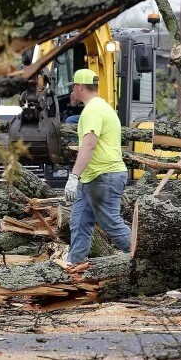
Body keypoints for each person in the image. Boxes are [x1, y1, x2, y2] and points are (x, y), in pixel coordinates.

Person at [63, 68, 131, 262]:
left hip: (104, 176)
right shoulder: (102, 106)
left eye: (74, 87)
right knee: (79, 223)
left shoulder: (92, 110)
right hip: (93, 177)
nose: (73, 92)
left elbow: (89, 145)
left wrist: (73, 176)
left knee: (112, 225)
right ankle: (74, 268)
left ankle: (148, 260)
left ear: (79, 86)